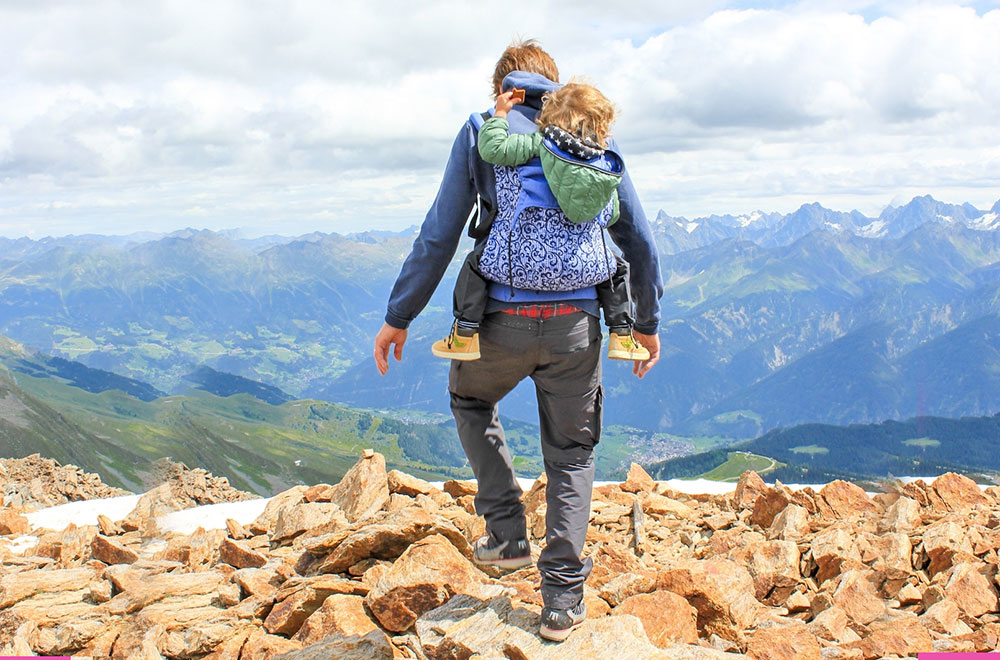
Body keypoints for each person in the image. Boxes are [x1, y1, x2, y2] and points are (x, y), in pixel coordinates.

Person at [373, 40, 663, 642]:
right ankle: (561, 602)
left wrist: (400, 313)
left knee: (471, 402)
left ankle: (506, 533)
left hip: (496, 323)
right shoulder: (589, 136)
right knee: (572, 455)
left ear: (502, 88)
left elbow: (441, 232)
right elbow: (638, 239)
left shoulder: (484, 131)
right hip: (577, 328)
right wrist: (646, 323)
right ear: (554, 90)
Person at [429, 81, 650, 363]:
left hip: (516, 268)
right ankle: (622, 334)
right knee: (615, 269)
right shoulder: (604, 163)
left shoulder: (538, 142)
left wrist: (500, 114)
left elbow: (492, 148)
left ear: (546, 119)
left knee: (477, 264)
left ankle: (464, 335)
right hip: (586, 271)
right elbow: (613, 214)